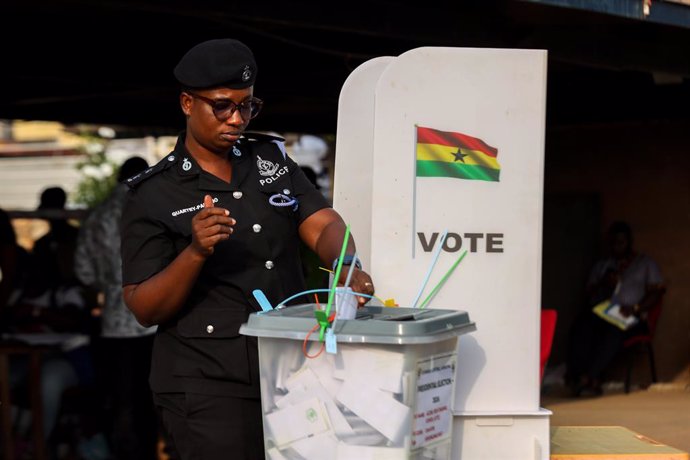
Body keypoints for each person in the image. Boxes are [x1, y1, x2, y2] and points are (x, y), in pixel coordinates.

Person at [120, 38, 375, 460]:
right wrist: (196, 252)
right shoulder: (154, 193)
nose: (236, 118)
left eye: (247, 106)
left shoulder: (269, 162)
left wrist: (345, 264)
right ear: (187, 103)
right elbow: (144, 306)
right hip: (207, 384)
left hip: (294, 370)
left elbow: (322, 221)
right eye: (222, 106)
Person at [74, 156, 158, 460]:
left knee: (121, 400)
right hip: (153, 319)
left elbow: (83, 271)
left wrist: (108, 285)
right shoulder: (151, 210)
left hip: (114, 321)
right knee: (152, 399)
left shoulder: (97, 216)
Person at [565, 221, 665, 396]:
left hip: (632, 318)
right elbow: (588, 294)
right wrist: (604, 283)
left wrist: (636, 307)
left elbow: (657, 293)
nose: (617, 247)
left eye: (621, 242)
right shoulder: (603, 265)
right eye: (613, 243)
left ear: (629, 242)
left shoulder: (644, 263)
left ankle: (589, 378)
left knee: (612, 332)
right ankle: (580, 377)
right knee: (582, 326)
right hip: (604, 313)